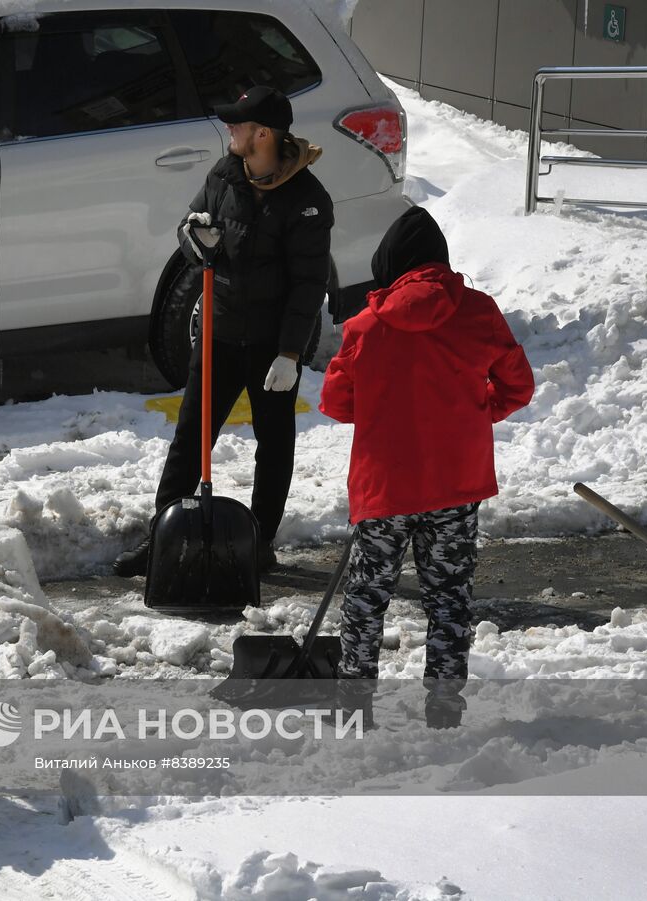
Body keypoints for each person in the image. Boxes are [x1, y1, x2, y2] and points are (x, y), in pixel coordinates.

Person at [319, 206, 534, 728]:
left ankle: (353, 710)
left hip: (384, 488)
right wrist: (475, 410)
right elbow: (517, 386)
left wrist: (383, 409)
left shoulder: (366, 326)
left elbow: (336, 401)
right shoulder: (479, 312)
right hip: (454, 488)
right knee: (449, 597)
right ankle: (443, 708)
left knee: (369, 596)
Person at [115, 85, 334, 577]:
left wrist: (290, 354)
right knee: (191, 436)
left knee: (274, 442)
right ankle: (164, 537)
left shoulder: (308, 200)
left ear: (263, 134)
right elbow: (190, 231)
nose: (229, 129)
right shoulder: (224, 174)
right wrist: (196, 240)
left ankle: (259, 542)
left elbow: (308, 284)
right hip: (220, 331)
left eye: (238, 124)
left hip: (272, 344)